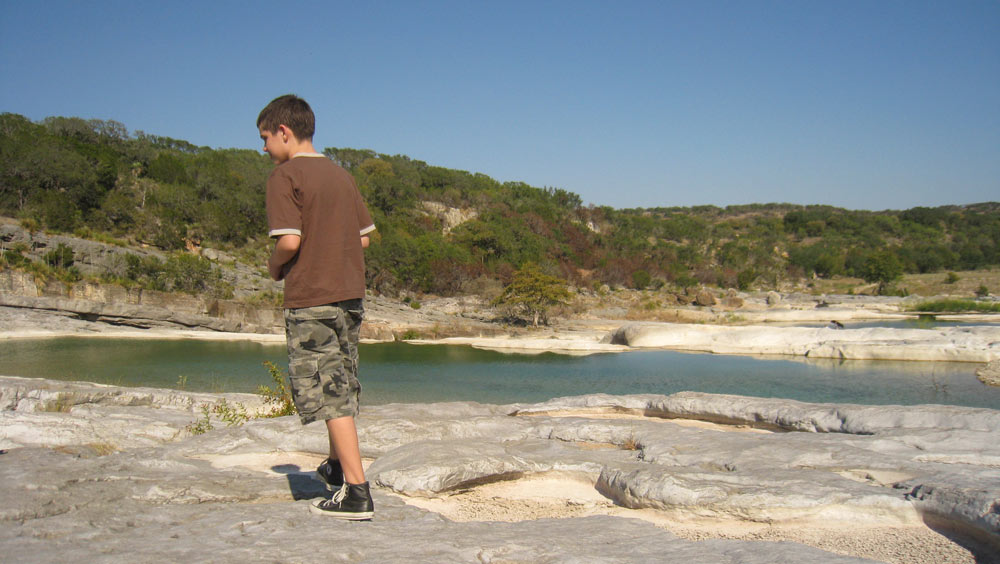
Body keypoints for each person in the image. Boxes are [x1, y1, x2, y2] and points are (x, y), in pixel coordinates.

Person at [258, 94, 376, 520]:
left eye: (265, 138)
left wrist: (274, 266)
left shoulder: (285, 176)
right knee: (341, 381)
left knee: (329, 394)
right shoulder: (342, 175)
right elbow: (364, 238)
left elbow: (289, 241)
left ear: (284, 131)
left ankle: (356, 492)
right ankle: (335, 467)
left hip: (312, 298)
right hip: (349, 296)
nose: (264, 148)